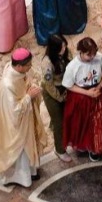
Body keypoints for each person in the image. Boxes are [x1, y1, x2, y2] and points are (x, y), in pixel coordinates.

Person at [0, 48, 47, 187]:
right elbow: (14, 112)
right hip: (16, 125)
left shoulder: (19, 72)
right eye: (28, 65)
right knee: (21, 152)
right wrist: (29, 97)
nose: (30, 67)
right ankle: (21, 177)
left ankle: (32, 172)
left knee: (29, 144)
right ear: (19, 66)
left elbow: (25, 84)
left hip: (26, 117)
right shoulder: (8, 85)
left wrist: (32, 89)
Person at [62, 37, 102, 162]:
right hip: (81, 97)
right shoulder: (73, 66)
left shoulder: (99, 58)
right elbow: (68, 85)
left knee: (98, 122)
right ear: (80, 51)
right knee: (83, 123)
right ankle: (83, 145)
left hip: (98, 93)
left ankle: (96, 147)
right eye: (88, 55)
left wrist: (100, 85)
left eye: (94, 54)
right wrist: (87, 93)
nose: (91, 57)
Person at [41, 34, 71, 162]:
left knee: (66, 116)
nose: (64, 49)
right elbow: (49, 85)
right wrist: (60, 98)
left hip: (64, 87)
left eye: (64, 45)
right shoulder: (47, 63)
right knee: (59, 123)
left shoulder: (65, 53)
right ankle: (59, 150)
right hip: (52, 93)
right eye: (61, 47)